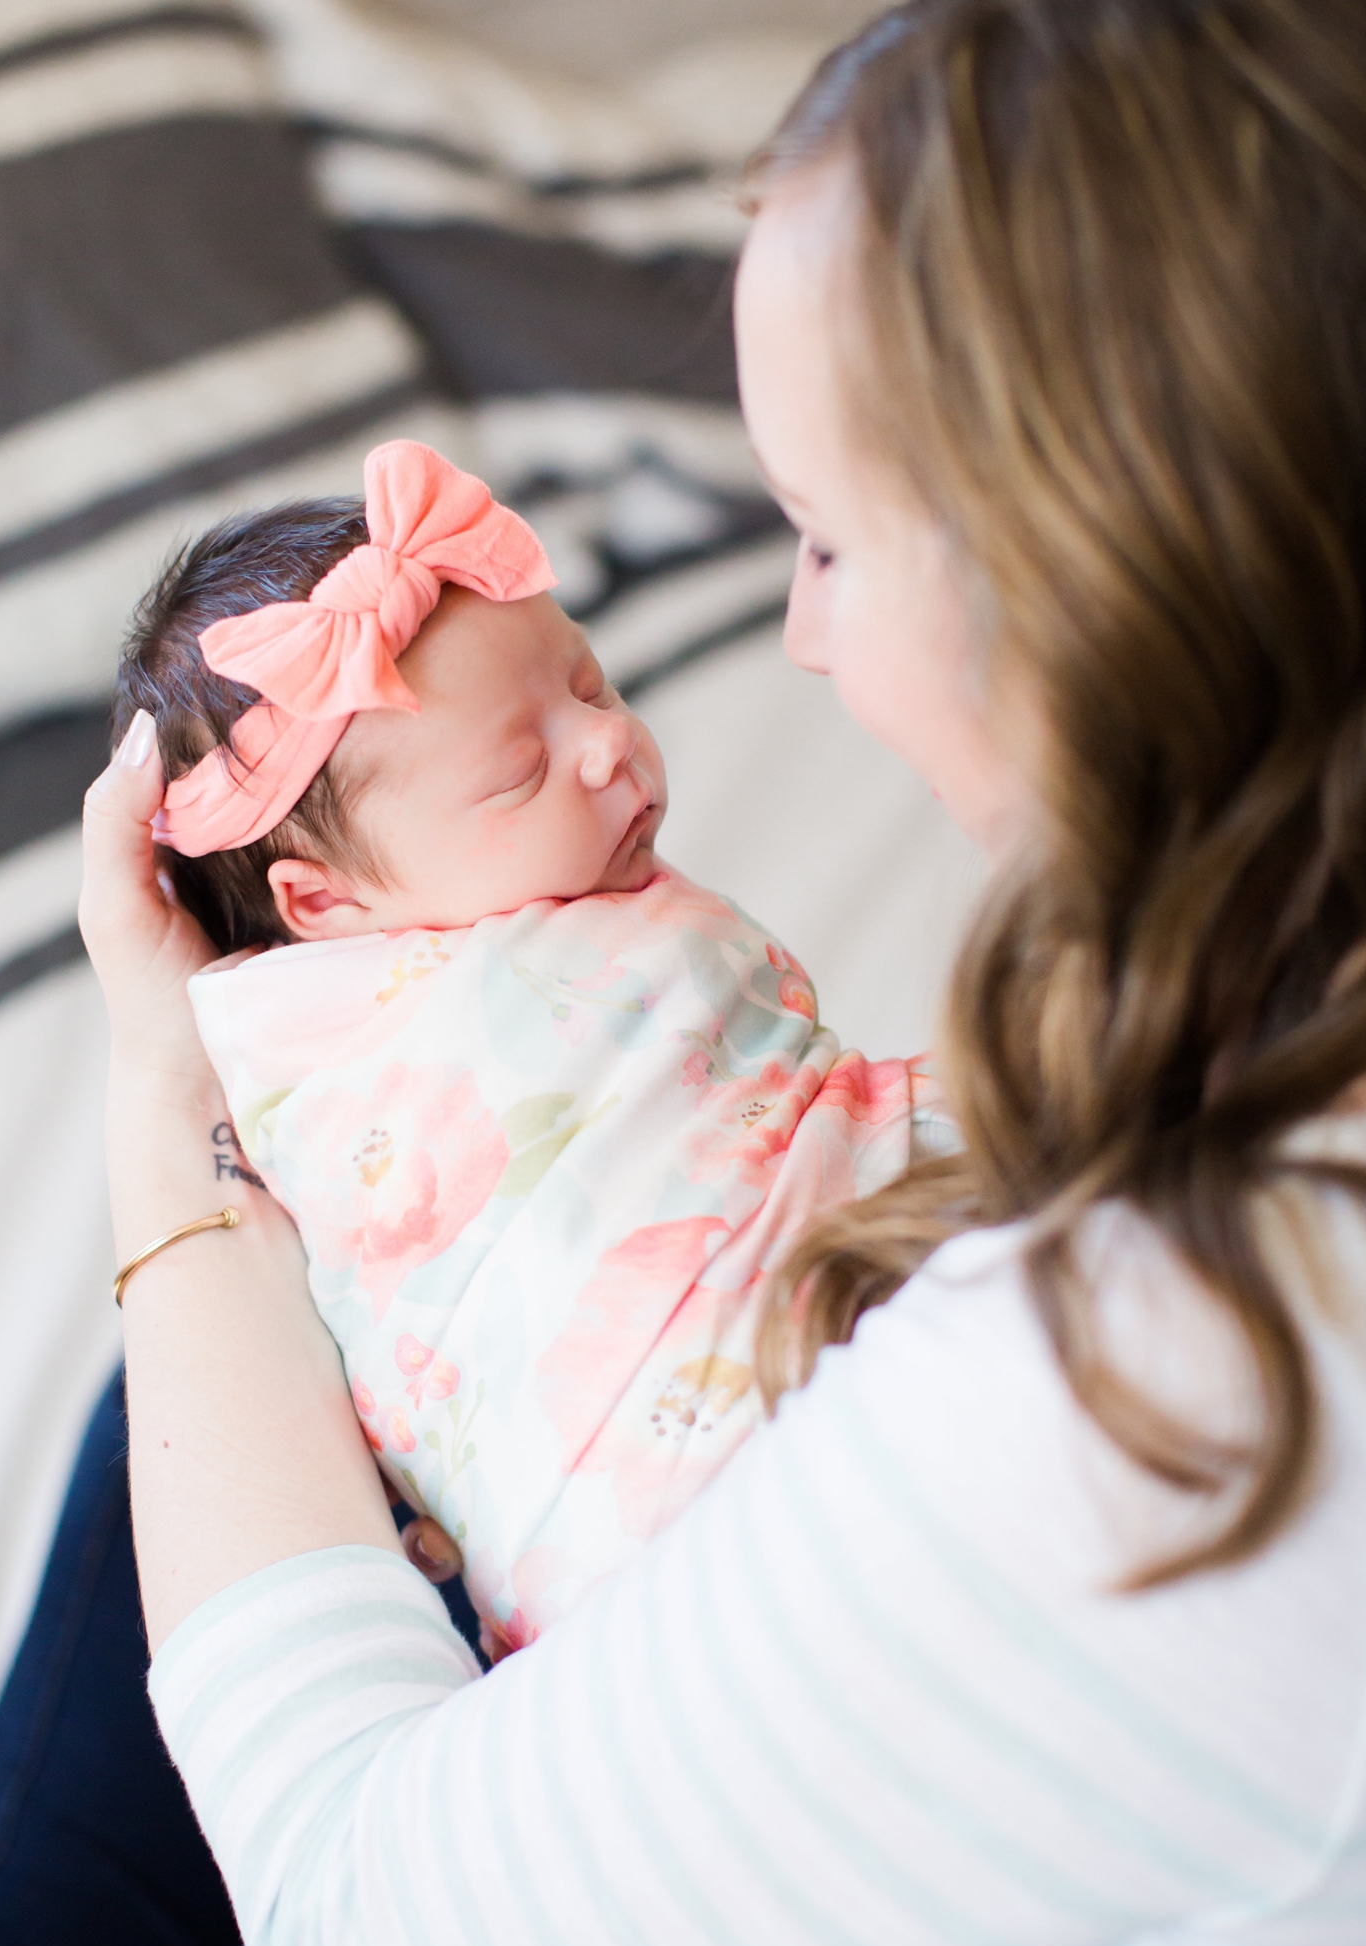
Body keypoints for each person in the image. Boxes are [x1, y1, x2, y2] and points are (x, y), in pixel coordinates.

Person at [0, 1, 1366, 1946]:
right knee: (235, 1402)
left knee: (221, 1368)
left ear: (1099, 566)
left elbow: (351, 1936)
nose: (790, 640)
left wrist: (163, 1101)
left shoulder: (1179, 1385)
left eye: (820, 535)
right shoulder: (1288, 1024)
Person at [125, 438, 919, 1655]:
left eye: (591, 686)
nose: (607, 747)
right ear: (323, 908)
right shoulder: (320, 1046)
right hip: (645, 1486)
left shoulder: (558, 900)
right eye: (519, 771)